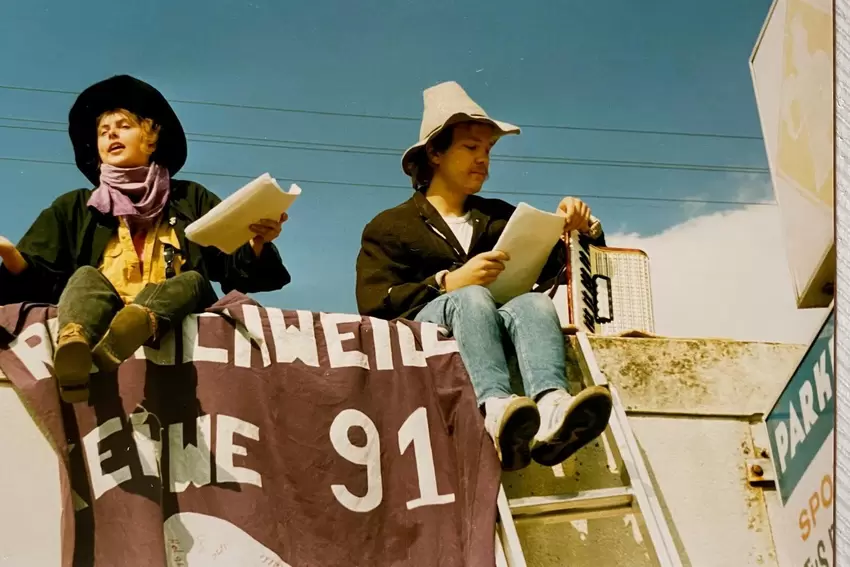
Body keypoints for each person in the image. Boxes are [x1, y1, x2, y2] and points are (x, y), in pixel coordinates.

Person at [355, 82, 613, 472]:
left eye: (488, 151)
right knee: (471, 296)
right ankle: (496, 411)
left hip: (496, 321)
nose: (483, 161)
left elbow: (563, 266)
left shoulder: (499, 216)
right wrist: (447, 283)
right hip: (426, 335)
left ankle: (551, 409)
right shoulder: (389, 226)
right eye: (471, 148)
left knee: (534, 301)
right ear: (436, 153)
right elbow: (373, 302)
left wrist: (582, 228)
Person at [0, 75, 291, 404]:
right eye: (102, 131)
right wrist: (9, 253)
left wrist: (256, 242)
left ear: (151, 139)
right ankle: (74, 347)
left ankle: (137, 323)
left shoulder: (190, 198)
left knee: (192, 280)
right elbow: (41, 278)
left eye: (123, 125)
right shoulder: (74, 207)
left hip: (176, 325)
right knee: (84, 278)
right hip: (100, 317)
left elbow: (236, 268)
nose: (111, 133)